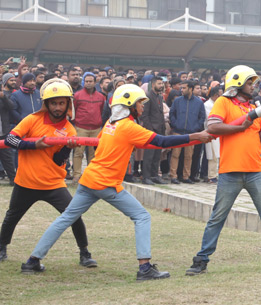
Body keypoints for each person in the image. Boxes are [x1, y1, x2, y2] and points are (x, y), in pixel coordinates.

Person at [23, 84, 212, 280]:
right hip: (105, 182)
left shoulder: (110, 123)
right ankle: (145, 267)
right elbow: (162, 142)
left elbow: (113, 146)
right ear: (129, 104)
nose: (142, 107)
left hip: (90, 179)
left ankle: (33, 260)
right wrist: (196, 136)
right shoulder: (129, 127)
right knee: (141, 216)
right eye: (140, 103)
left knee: (66, 218)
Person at [186, 65, 261, 276]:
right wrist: (242, 126)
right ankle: (201, 260)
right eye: (249, 82)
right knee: (217, 218)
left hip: (256, 170)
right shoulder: (224, 102)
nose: (253, 86)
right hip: (230, 171)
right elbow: (213, 128)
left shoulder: (255, 106)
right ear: (237, 83)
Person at [1, 79, 96, 268]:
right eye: (53, 103)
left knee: (74, 216)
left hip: (53, 184)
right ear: (46, 103)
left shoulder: (69, 129)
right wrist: (33, 144)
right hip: (26, 182)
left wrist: (67, 149)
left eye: (61, 103)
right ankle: (2, 248)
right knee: (12, 216)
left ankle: (84, 253)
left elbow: (57, 161)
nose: (57, 107)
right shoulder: (32, 119)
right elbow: (11, 139)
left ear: (68, 104)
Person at [168, 81, 206, 184]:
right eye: (181, 88)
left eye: (184, 88)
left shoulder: (199, 103)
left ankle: (186, 176)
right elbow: (172, 114)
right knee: (175, 154)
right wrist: (176, 124)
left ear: (190, 89)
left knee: (189, 156)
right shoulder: (177, 101)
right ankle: (173, 176)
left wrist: (195, 127)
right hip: (178, 132)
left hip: (191, 133)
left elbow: (202, 117)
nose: (182, 90)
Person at [71, 72, 106, 182]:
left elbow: (101, 111)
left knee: (93, 154)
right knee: (78, 152)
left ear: (95, 83)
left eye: (90, 81)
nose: (88, 83)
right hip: (81, 127)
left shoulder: (101, 97)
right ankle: (76, 175)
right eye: (86, 81)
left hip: (96, 129)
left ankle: (90, 176)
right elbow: (74, 110)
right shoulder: (77, 95)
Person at [140, 76, 169, 185]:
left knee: (157, 155)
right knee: (149, 154)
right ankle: (146, 177)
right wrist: (150, 129)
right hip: (151, 130)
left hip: (160, 129)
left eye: (162, 84)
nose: (161, 86)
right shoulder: (147, 97)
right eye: (159, 84)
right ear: (153, 85)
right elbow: (144, 115)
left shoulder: (159, 97)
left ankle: (154, 175)